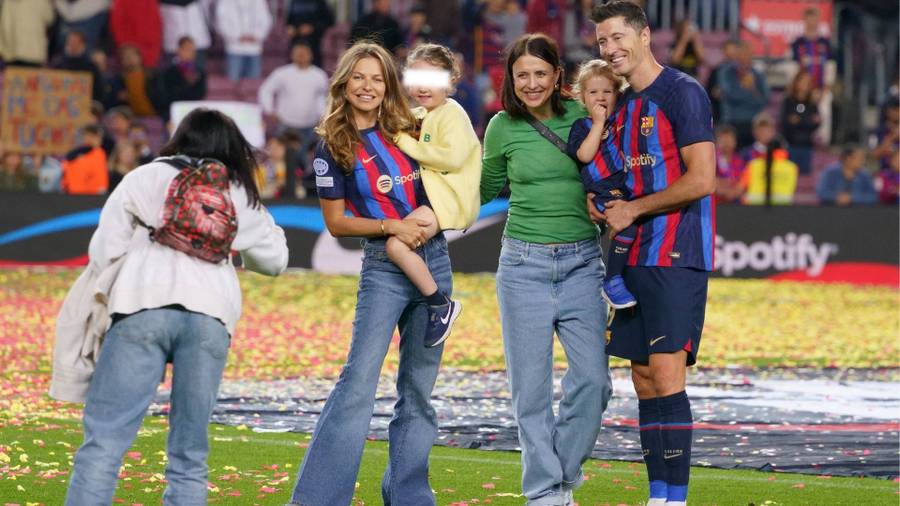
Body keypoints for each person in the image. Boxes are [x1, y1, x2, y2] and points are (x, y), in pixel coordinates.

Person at [64, 108, 289, 505]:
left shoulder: (144, 176)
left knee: (104, 444)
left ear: (179, 139)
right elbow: (274, 261)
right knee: (189, 455)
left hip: (141, 305)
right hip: (209, 317)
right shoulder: (237, 190)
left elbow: (102, 250)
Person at [285, 42, 452, 505]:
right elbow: (336, 222)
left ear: (388, 85)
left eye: (377, 78)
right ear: (344, 82)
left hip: (434, 259)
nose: (368, 86)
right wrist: (390, 226)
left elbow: (449, 176)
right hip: (383, 266)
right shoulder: (331, 144)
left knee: (418, 392)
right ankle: (317, 499)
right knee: (358, 383)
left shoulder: (408, 127)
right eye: (359, 77)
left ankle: (408, 496)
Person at [592, 2, 717, 505]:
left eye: (618, 36)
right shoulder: (620, 104)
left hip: (676, 251)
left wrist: (634, 208)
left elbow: (703, 178)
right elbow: (615, 172)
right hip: (631, 255)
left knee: (667, 376)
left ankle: (678, 499)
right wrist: (600, 199)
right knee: (643, 379)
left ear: (645, 35)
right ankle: (658, 495)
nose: (610, 48)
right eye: (602, 41)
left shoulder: (682, 92)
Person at [480, 33, 612, 505]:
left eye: (540, 73)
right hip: (522, 266)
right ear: (510, 81)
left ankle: (561, 475)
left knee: (595, 382)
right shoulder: (501, 127)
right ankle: (545, 495)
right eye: (522, 75)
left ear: (558, 76)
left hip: (582, 264)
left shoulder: (584, 114)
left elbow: (609, 171)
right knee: (530, 394)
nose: (532, 84)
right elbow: (483, 188)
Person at [391, 42, 481, 346]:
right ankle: (434, 302)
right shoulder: (425, 112)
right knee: (398, 244)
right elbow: (405, 118)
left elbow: (450, 158)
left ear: (451, 81)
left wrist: (402, 140)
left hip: (446, 201)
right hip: (436, 199)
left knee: (396, 245)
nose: (423, 87)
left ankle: (440, 304)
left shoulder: (452, 114)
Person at [566, 59, 637, 308]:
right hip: (602, 189)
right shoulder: (582, 126)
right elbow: (584, 155)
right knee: (626, 228)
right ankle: (613, 280)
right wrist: (597, 124)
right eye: (593, 92)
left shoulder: (621, 120)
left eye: (607, 91)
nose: (601, 97)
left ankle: (622, 278)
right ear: (582, 97)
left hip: (627, 187)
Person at [258, 40, 329, 172]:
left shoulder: (319, 75)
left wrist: (323, 115)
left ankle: (306, 186)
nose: (301, 55)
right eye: (298, 53)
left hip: (310, 126)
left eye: (304, 53)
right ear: (292, 54)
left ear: (311, 55)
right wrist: (270, 110)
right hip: (286, 125)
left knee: (307, 161)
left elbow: (323, 98)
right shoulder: (282, 73)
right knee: (281, 161)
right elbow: (265, 90)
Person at [215, 0, 273, 95]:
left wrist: (257, 35)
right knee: (231, 85)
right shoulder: (225, 2)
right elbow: (221, 21)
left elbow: (266, 20)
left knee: (253, 86)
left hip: (254, 49)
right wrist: (237, 36)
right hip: (234, 48)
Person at [719, 40, 769, 149]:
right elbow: (730, 95)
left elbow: (764, 100)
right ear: (736, 55)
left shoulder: (758, 75)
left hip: (753, 124)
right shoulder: (726, 73)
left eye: (748, 54)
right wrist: (751, 93)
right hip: (733, 122)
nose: (745, 57)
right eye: (742, 53)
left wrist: (752, 88)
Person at [780, 70, 820, 175]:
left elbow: (815, 123)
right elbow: (785, 123)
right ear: (796, 82)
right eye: (802, 81)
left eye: (807, 82)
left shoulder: (811, 103)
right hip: (791, 144)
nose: (804, 85)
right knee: (790, 174)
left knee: (805, 175)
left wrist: (799, 121)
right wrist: (805, 121)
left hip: (807, 145)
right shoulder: (788, 101)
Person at [740, 137, 798, 205]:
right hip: (783, 208)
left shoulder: (753, 165)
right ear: (783, 149)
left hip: (754, 207)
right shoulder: (792, 167)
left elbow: (741, 187)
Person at [0, 0, 55, 67]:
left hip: (11, 52)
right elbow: (50, 18)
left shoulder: (7, 2)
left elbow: (4, 25)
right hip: (34, 53)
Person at [62, 124, 109, 195]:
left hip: (91, 194)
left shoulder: (98, 153)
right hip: (81, 194)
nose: (100, 139)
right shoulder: (97, 152)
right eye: (97, 136)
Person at [286, 0, 334, 67]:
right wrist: (290, 27)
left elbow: (330, 21)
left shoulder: (320, 2)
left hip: (313, 43)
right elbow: (288, 20)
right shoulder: (294, 2)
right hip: (296, 42)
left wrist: (312, 28)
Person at [714, 124, 745, 203]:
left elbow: (743, 182)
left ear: (735, 142)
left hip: (736, 206)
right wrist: (718, 185)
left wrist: (734, 191)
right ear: (716, 142)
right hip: (716, 205)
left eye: (729, 140)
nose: (726, 143)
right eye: (723, 140)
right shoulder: (711, 160)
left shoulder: (740, 161)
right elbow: (707, 180)